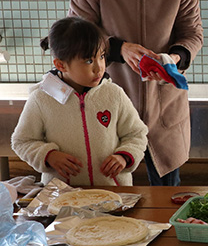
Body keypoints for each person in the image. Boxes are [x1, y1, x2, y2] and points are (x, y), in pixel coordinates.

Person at [68, 0, 203, 186]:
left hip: (164, 104)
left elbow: (192, 34)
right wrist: (119, 48)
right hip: (110, 101)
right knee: (110, 190)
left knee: (166, 192)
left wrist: (172, 58)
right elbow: (76, 34)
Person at [11, 17, 148, 187]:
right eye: (89, 61)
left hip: (113, 194)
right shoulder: (41, 98)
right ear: (61, 65)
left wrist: (124, 156)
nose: (99, 67)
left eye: (102, 57)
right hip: (61, 197)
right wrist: (49, 155)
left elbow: (137, 134)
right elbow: (22, 141)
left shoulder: (114, 94)